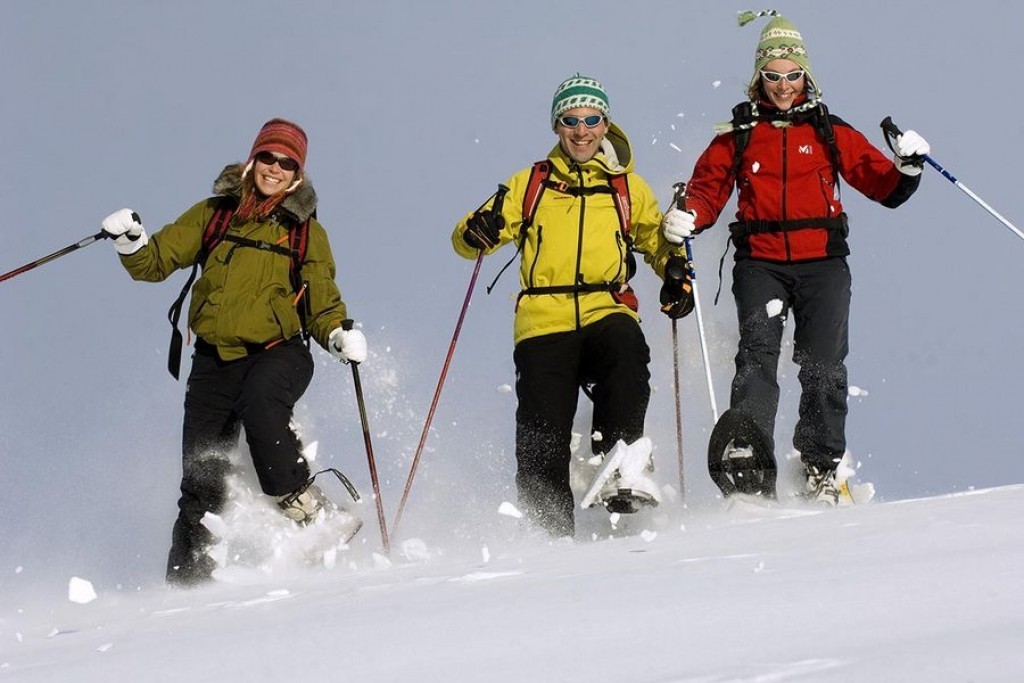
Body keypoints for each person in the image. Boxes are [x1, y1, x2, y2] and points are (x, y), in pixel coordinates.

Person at [662, 11, 930, 504]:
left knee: (824, 364)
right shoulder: (738, 133)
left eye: (792, 75)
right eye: (772, 76)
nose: (783, 86)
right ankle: (748, 454)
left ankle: (819, 466)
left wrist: (907, 168)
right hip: (761, 262)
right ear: (758, 76)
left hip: (823, 263)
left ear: (806, 75)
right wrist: (686, 219)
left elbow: (883, 186)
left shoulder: (828, 129)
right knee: (758, 356)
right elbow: (705, 192)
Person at [101, 118, 369, 586]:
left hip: (278, 351)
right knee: (201, 476)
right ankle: (188, 585)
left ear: (297, 175)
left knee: (263, 408)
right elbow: (154, 262)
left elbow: (322, 299)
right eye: (268, 156)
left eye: (287, 163)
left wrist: (336, 336)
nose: (275, 168)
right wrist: (131, 241)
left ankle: (314, 513)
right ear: (253, 159)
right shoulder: (215, 214)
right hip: (213, 361)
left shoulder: (304, 232)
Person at [451, 75, 692, 537]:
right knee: (542, 430)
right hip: (544, 320)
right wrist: (474, 230)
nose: (582, 130)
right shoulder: (530, 183)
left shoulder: (628, 188)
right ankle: (547, 530)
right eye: (571, 120)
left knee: (626, 353)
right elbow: (468, 240)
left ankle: (620, 465)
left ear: (605, 125)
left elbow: (656, 243)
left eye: (591, 119)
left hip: (607, 306)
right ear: (557, 126)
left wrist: (675, 272)